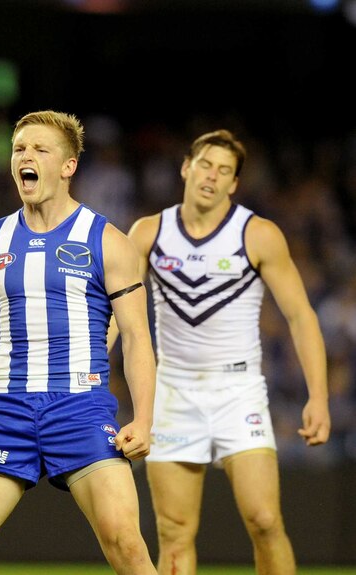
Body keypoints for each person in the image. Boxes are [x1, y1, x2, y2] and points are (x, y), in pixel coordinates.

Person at [0, 110, 158, 574]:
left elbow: (138, 339)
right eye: (20, 148)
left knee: (127, 546)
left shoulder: (107, 242)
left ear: (68, 166)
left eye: (40, 149)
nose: (26, 156)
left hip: (79, 409)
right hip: (7, 411)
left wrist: (143, 420)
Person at [108, 129, 331, 574]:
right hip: (171, 391)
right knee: (174, 533)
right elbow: (118, 311)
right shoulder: (149, 232)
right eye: (206, 164)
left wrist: (319, 398)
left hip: (239, 389)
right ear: (186, 167)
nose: (213, 175)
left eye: (225, 171)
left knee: (265, 520)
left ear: (234, 184)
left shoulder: (259, 235)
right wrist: (91, 369)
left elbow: (301, 316)